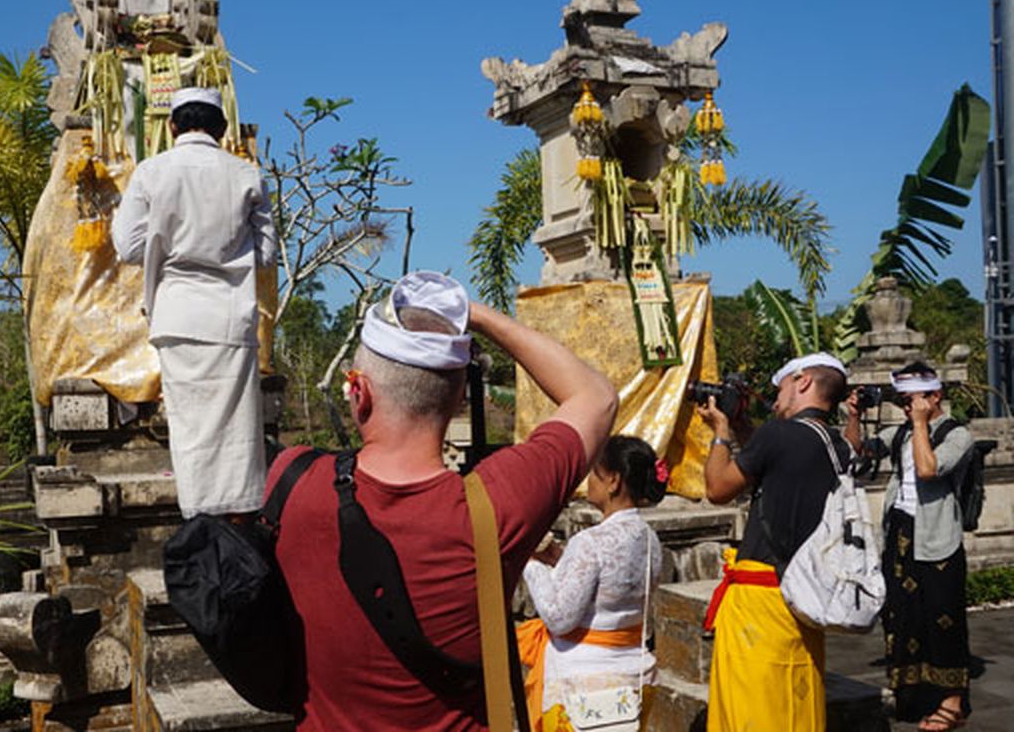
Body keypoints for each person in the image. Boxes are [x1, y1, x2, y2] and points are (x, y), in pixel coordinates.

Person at [267, 271, 618, 731]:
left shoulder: (292, 479)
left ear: (359, 392)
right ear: (458, 401)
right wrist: (469, 314)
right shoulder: (497, 504)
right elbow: (596, 396)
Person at [112, 87, 276, 518]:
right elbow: (267, 254)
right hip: (229, 316)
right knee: (238, 435)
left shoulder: (152, 172)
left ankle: (200, 526)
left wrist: (168, 245)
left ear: (172, 126)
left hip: (178, 314)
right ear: (223, 130)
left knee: (190, 432)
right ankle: (238, 529)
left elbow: (127, 247)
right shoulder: (247, 174)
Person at [697, 352, 851, 732]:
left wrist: (721, 432)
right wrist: (744, 427)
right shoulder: (838, 445)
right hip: (806, 596)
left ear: (802, 382)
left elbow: (717, 489)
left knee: (752, 705)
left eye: (781, 387)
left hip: (760, 602)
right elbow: (774, 458)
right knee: (795, 700)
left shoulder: (776, 436)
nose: (777, 398)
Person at [844, 363, 972, 731]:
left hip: (938, 537)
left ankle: (952, 702)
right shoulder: (900, 431)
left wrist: (919, 424)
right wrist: (855, 416)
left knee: (942, 618)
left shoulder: (956, 434)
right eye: (902, 401)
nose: (906, 408)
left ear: (935, 396)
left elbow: (929, 468)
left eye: (912, 400)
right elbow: (859, 452)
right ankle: (910, 693)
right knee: (901, 614)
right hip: (901, 530)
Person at [517, 435, 667, 732]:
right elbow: (606, 592)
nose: (589, 481)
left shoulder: (590, 542)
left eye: (594, 473)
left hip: (584, 681)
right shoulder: (650, 539)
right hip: (630, 675)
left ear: (613, 481)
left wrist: (530, 565)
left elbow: (560, 618)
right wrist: (560, 559)